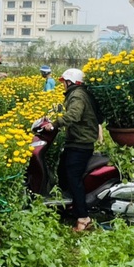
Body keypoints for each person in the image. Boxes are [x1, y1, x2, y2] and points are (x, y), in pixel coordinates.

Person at [44, 68, 100, 232]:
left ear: (71, 82)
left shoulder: (77, 95)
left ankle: (84, 217)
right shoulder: (79, 94)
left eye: (64, 82)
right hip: (75, 141)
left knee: (73, 177)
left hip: (80, 143)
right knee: (62, 171)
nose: (63, 85)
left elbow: (74, 114)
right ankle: (71, 206)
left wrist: (54, 124)